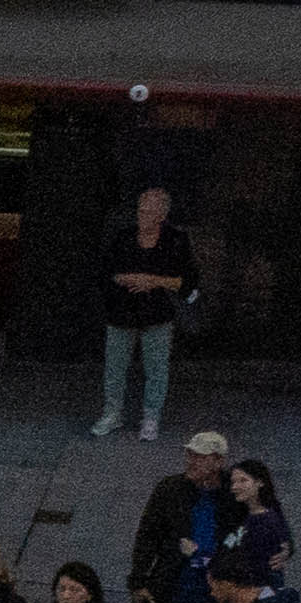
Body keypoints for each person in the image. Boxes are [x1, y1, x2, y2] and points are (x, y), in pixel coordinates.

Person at [92, 185, 193, 441]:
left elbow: (187, 281)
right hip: (122, 311)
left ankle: (151, 417)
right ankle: (113, 413)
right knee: (115, 367)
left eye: (149, 211)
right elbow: (106, 270)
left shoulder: (176, 240)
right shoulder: (124, 237)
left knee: (156, 368)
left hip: (157, 313)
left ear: (162, 215)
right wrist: (124, 278)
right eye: (140, 209)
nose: (142, 215)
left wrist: (153, 280)